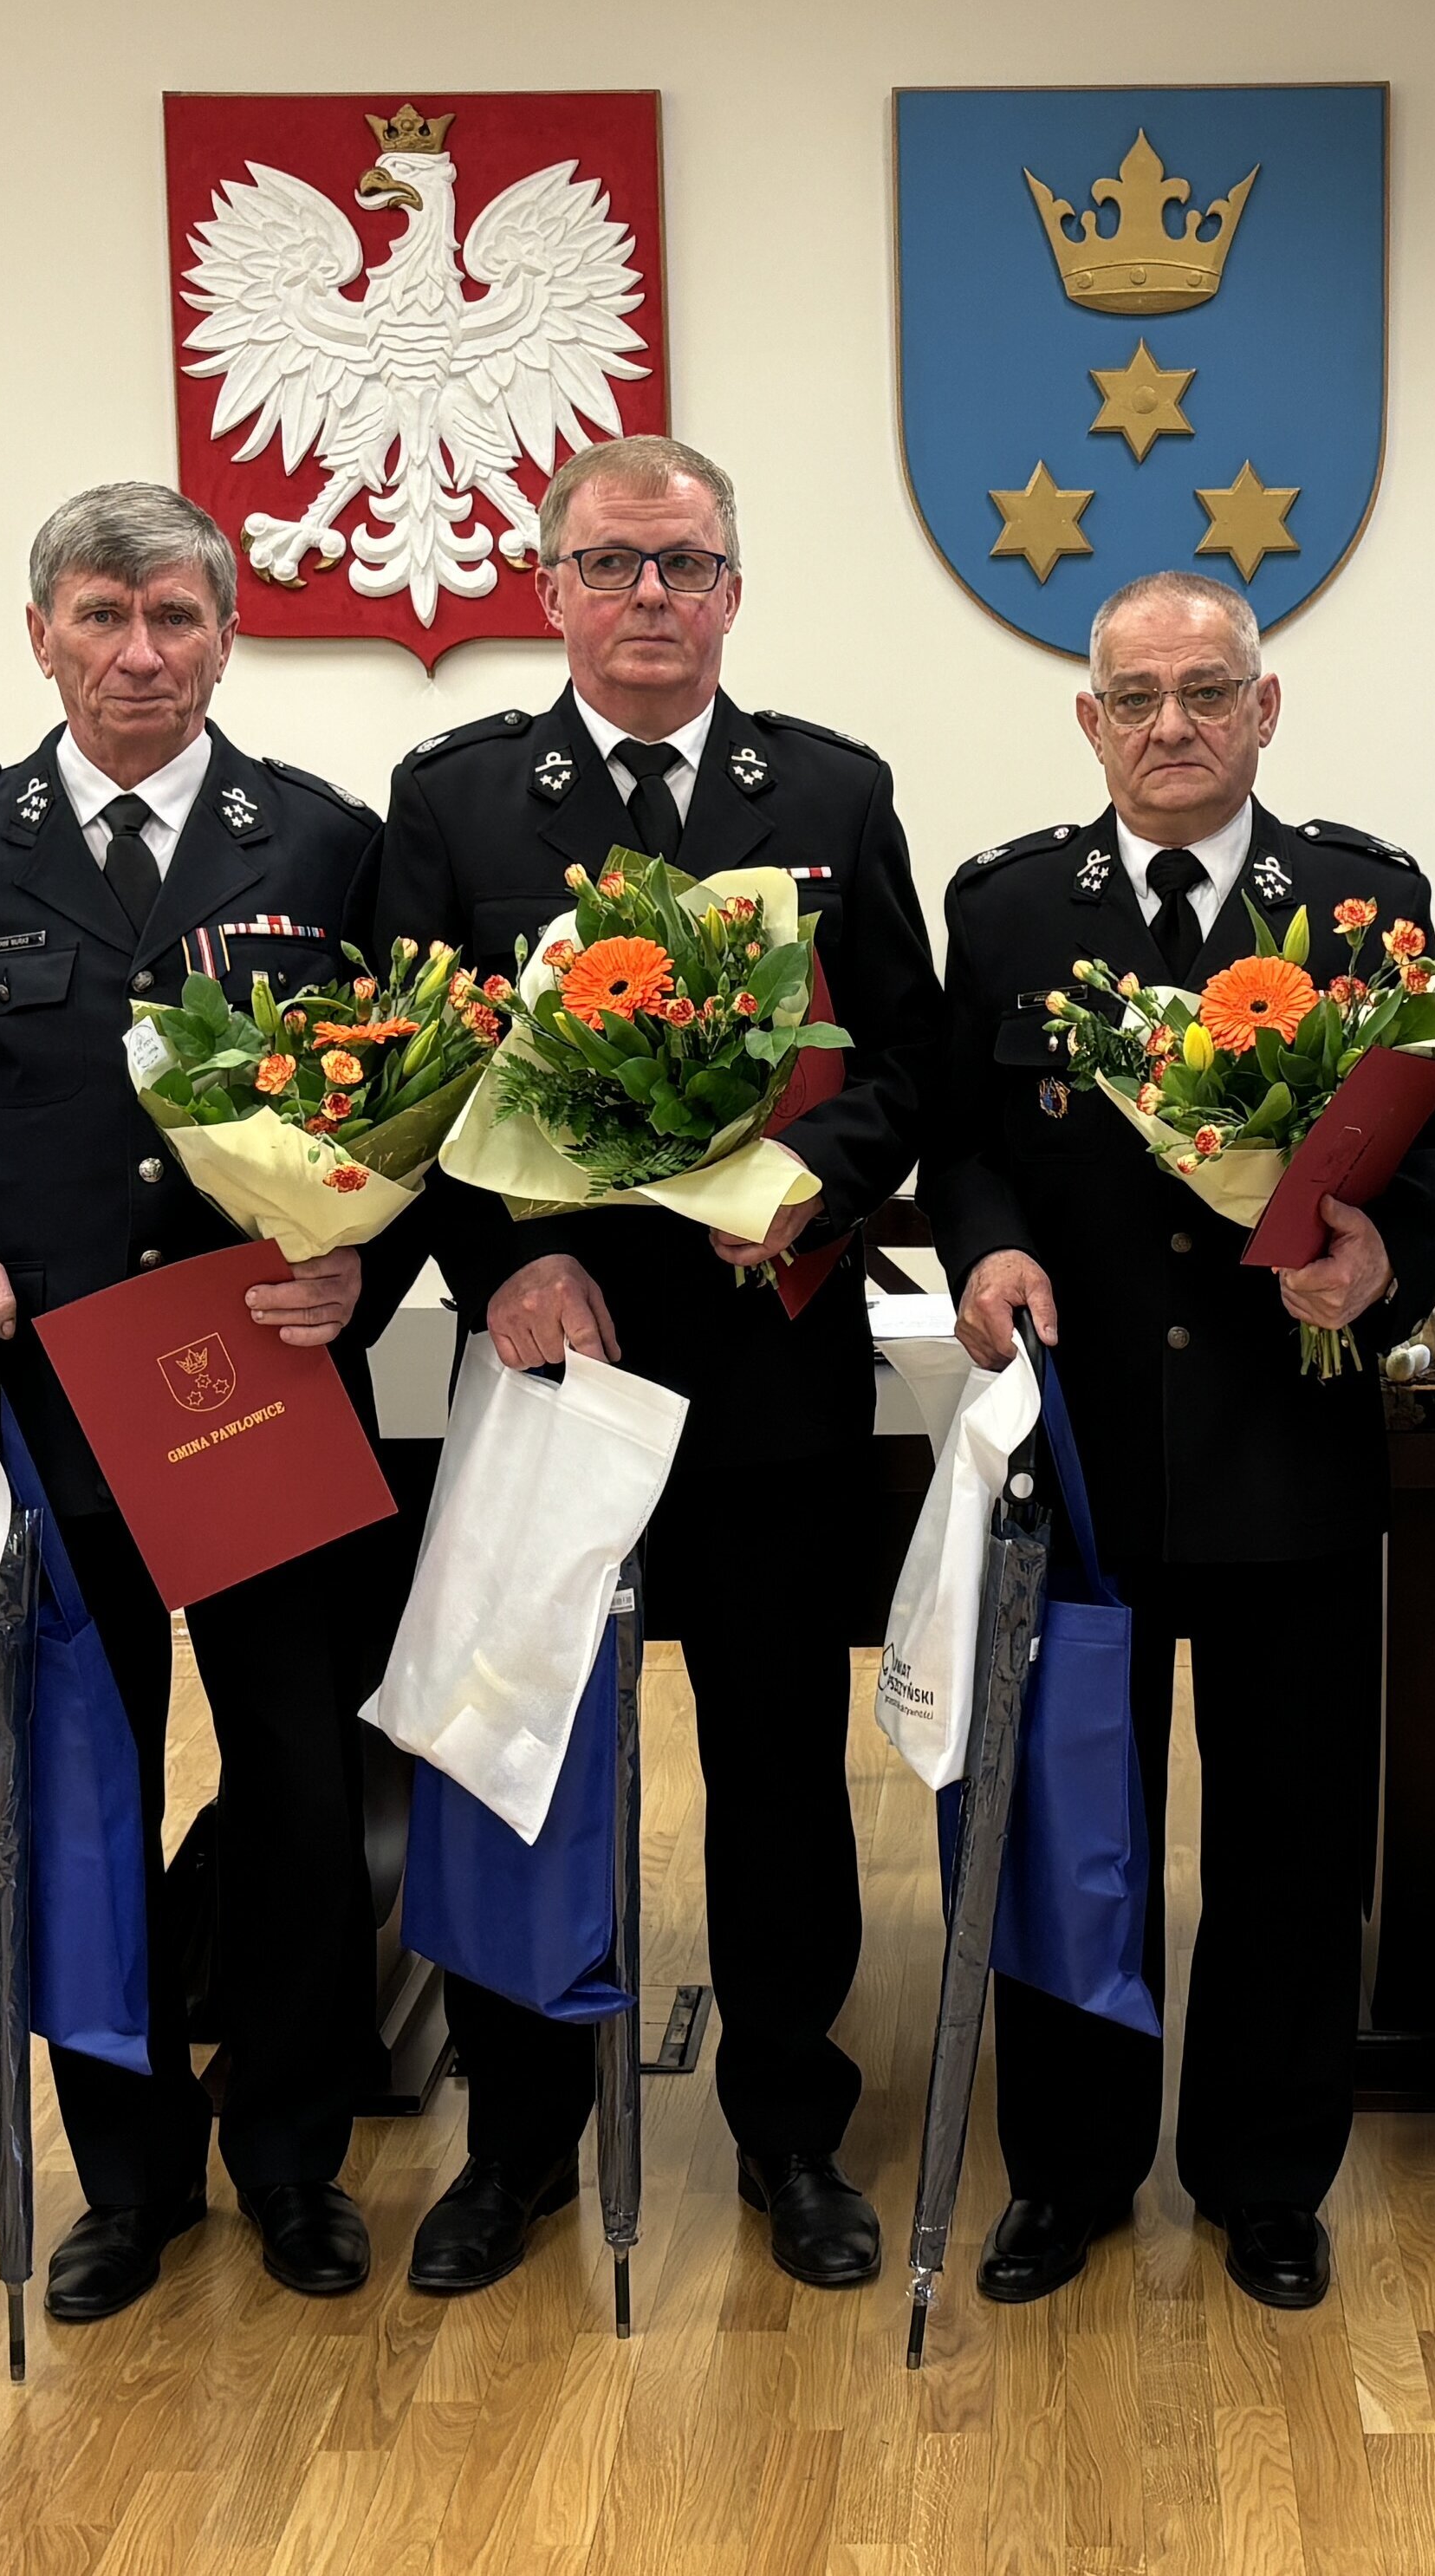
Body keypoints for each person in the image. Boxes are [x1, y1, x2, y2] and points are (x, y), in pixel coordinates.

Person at [379, 433, 948, 2298]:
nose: (649, 597)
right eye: (613, 564)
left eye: (684, 565)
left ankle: (791, 2126)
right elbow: (400, 1084)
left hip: (765, 1361)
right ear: (548, 588)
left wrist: (806, 1183)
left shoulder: (833, 792)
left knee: (778, 1758)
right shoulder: (458, 801)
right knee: (524, 1753)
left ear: (732, 590)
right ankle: (519, 2139)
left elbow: (910, 1068)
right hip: (554, 1363)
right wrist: (508, 1261)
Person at [0, 481, 411, 2320]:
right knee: (78, 1796)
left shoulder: (323, 843)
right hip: (56, 1410)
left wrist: (369, 1264)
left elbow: (416, 1107)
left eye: (176, 617)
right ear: (42, 637)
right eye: (102, 615)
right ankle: (130, 2177)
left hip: (262, 1393)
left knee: (301, 1791)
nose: (141, 653)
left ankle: (293, 2155)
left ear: (226, 638)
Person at [927, 570, 1435, 2314]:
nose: (1172, 726)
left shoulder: (1367, 906)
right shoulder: (1011, 905)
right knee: (1069, 1829)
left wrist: (1386, 1264)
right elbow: (964, 1141)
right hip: (1081, 1457)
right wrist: (983, 1250)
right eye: (1136, 697)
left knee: (1292, 1846)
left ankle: (1266, 2175)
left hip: (1286, 1447)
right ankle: (1069, 2173)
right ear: (1090, 720)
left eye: (1208, 691)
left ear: (1265, 707)